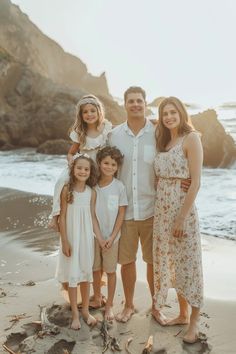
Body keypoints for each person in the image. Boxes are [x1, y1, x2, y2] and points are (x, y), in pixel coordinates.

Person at [153, 97, 203, 344]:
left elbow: (195, 182)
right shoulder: (163, 140)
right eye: (165, 113)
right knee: (173, 262)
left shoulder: (191, 138)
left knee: (189, 265)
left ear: (182, 113)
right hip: (162, 212)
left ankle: (193, 322)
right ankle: (182, 314)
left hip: (182, 212)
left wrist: (181, 218)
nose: (169, 116)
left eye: (173, 112)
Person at [108, 86, 158, 323]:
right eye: (131, 101)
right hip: (125, 210)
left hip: (152, 210)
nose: (136, 104)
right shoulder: (114, 135)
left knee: (153, 262)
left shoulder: (159, 133)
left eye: (139, 100)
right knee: (126, 261)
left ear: (146, 103)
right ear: (124, 104)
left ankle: (156, 306)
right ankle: (128, 305)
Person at [55, 153, 105, 330]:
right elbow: (62, 217)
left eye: (86, 169)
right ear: (73, 169)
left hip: (85, 240)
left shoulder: (92, 193)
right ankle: (75, 313)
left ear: (90, 172)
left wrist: (99, 238)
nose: (83, 171)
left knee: (85, 274)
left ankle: (85, 310)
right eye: (79, 168)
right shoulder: (67, 191)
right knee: (73, 275)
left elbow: (92, 217)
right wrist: (65, 241)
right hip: (71, 239)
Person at [49, 94, 112, 231]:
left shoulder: (105, 128)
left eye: (92, 111)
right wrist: (71, 161)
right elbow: (71, 152)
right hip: (83, 167)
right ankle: (55, 216)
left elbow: (121, 130)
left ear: (98, 111)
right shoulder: (80, 133)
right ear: (81, 115)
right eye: (85, 112)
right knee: (61, 180)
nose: (89, 114)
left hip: (99, 168)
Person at [90, 146, 128, 321]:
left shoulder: (119, 187)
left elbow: (121, 213)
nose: (109, 167)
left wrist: (112, 237)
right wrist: (98, 236)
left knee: (111, 271)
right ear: (99, 163)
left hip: (113, 238)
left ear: (117, 167)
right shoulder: (93, 187)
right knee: (96, 269)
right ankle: (97, 298)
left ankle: (109, 305)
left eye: (113, 164)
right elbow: (92, 214)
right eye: (106, 163)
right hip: (94, 235)